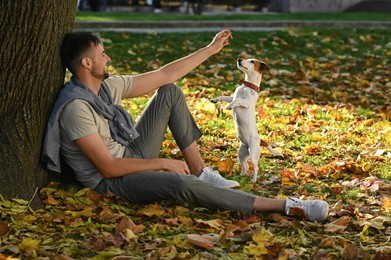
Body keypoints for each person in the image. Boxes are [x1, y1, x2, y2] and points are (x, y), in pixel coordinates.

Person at [42, 30, 329, 222]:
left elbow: (164, 74)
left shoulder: (105, 87)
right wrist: (163, 163)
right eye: (102, 54)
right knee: (179, 183)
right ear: (86, 62)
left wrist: (210, 49)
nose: (109, 58)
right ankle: (285, 205)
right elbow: (108, 168)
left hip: (130, 153)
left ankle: (201, 171)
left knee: (169, 91)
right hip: (113, 181)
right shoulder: (76, 108)